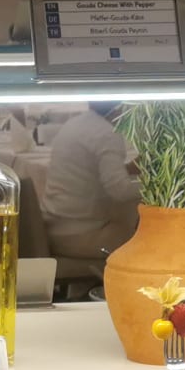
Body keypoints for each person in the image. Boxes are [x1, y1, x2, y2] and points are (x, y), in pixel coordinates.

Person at [44, 102, 140, 261]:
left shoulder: (75, 123)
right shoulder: (108, 133)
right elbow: (119, 191)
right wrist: (156, 186)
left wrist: (130, 168)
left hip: (54, 229)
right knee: (150, 242)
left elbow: (90, 173)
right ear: (121, 107)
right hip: (83, 235)